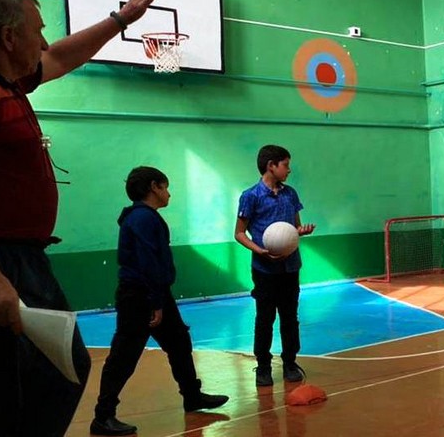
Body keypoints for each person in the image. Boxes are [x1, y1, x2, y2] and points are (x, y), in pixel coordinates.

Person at [0, 0, 154, 435]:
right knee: (28, 380)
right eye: (38, 31)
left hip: (24, 258)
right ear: (8, 38)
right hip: (2, 260)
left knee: (55, 370)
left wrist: (122, 19)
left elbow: (61, 57)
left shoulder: (11, 84)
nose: (44, 43)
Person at [92, 167, 228, 436]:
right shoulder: (143, 218)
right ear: (154, 187)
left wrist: (159, 297)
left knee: (179, 342)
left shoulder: (143, 217)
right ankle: (103, 416)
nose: (168, 193)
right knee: (124, 355)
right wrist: (155, 301)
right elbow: (148, 260)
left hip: (155, 293)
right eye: (165, 187)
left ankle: (192, 396)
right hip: (140, 296)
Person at [235, 145, 315, 387]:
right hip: (265, 270)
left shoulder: (290, 194)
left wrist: (301, 231)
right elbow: (239, 233)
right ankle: (263, 367)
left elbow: (294, 228)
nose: (289, 170)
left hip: (290, 268)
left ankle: (290, 362)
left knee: (290, 318)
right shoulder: (251, 196)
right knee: (265, 318)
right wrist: (258, 250)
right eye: (286, 165)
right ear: (271, 165)